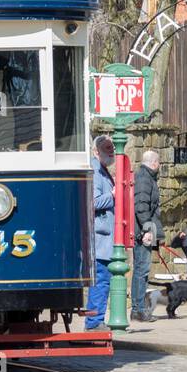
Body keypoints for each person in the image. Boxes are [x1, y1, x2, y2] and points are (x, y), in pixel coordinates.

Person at [86, 135, 116, 330]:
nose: (111, 151)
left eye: (112, 147)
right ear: (96, 151)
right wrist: (113, 196)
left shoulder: (102, 170)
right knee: (101, 280)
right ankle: (94, 322)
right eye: (107, 148)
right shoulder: (96, 171)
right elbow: (93, 202)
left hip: (103, 237)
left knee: (103, 280)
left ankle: (95, 321)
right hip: (100, 238)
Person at [130, 149, 162, 322]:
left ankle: (138, 309)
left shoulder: (145, 177)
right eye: (159, 163)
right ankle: (138, 310)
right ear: (154, 163)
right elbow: (141, 206)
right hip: (143, 232)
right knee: (142, 270)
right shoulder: (144, 178)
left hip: (143, 229)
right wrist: (147, 230)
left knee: (141, 270)